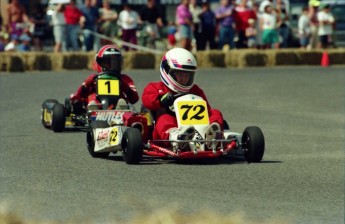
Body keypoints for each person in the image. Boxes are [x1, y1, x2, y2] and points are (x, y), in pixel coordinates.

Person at [141, 48, 224, 150]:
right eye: (180, 74)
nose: (184, 78)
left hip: (197, 128)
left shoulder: (195, 90)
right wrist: (161, 100)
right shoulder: (156, 87)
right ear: (167, 70)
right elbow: (146, 100)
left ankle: (212, 135)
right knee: (164, 117)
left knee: (215, 113)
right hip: (170, 128)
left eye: (187, 75)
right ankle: (177, 138)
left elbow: (206, 110)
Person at [69, 45, 139, 114]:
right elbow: (78, 96)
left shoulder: (125, 79)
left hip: (117, 107)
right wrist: (87, 84)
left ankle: (121, 110)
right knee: (93, 96)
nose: (112, 66)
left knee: (122, 100)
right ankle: (93, 109)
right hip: (97, 105)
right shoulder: (92, 78)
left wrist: (124, 85)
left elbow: (134, 99)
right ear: (99, 63)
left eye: (115, 63)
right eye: (108, 63)